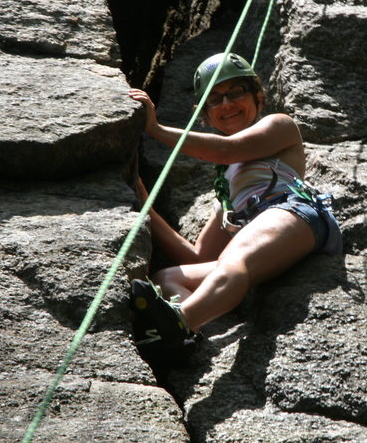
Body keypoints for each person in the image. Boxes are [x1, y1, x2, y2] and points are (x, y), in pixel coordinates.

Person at [127, 52, 342, 356]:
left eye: (236, 92)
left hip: (294, 212)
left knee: (234, 257)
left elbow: (228, 150)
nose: (226, 104)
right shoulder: (228, 190)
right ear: (205, 114)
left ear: (258, 97)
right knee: (168, 277)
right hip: (261, 233)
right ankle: (186, 332)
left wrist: (156, 130)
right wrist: (144, 202)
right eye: (214, 99)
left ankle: (179, 321)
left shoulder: (280, 126)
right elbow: (197, 255)